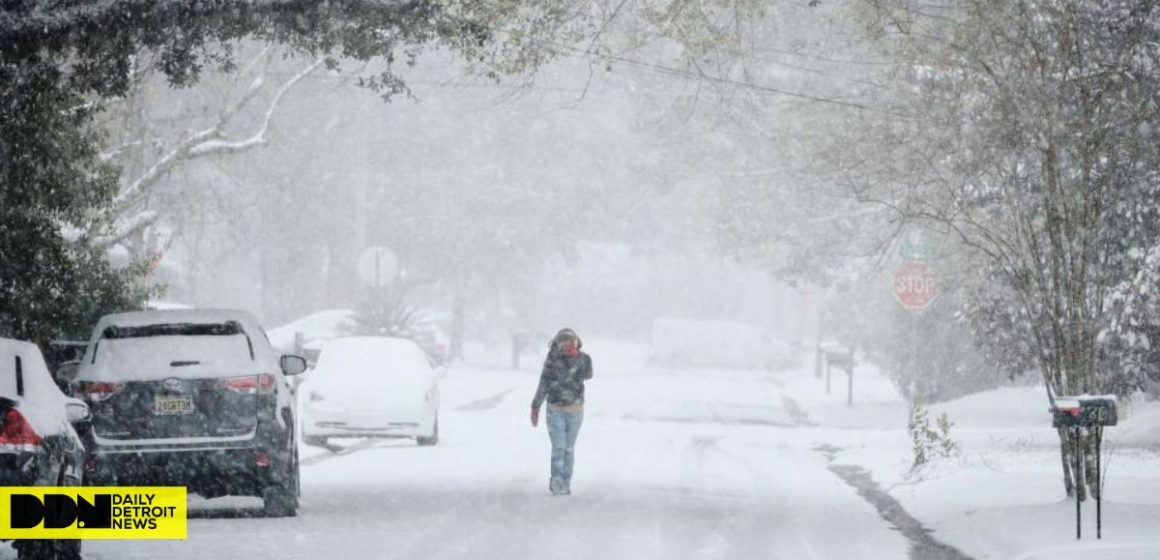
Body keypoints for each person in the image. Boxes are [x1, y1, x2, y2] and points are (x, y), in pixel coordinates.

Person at [530, 328, 593, 496]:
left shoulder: (584, 359)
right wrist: (535, 406)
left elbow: (588, 374)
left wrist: (575, 358)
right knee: (559, 447)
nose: (568, 348)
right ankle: (557, 481)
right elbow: (543, 383)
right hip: (555, 409)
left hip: (575, 410)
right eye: (564, 345)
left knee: (568, 449)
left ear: (577, 344)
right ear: (557, 345)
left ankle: (566, 482)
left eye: (571, 344)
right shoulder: (552, 361)